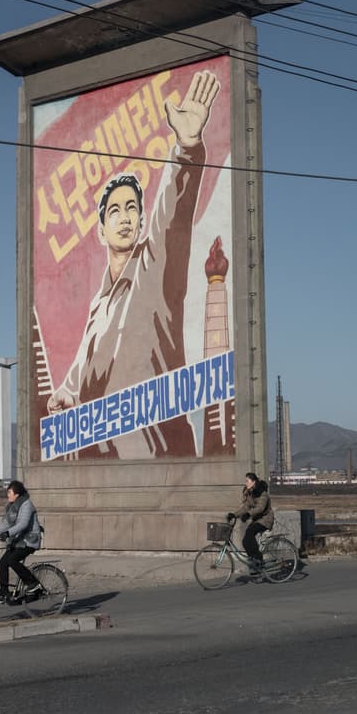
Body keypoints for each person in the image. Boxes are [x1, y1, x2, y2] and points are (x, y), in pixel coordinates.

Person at [46, 69, 221, 459]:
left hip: (159, 456)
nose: (125, 217)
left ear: (141, 223)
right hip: (105, 459)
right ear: (101, 230)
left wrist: (186, 146)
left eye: (132, 210)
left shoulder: (152, 268)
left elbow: (171, 214)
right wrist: (65, 395)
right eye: (115, 211)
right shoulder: (99, 304)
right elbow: (80, 374)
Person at [0, 480, 43, 604]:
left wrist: (8, 533)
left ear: (17, 494)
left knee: (12, 560)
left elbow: (23, 524)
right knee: (2, 562)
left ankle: (33, 584)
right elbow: (5, 525)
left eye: (9, 492)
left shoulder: (27, 504)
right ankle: (4, 594)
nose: (8, 495)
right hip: (19, 541)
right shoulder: (11, 507)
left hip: (29, 540)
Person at [228, 472, 274, 574]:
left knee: (250, 532)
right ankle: (254, 563)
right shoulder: (250, 493)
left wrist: (249, 514)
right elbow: (245, 507)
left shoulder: (262, 492)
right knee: (245, 541)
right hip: (257, 520)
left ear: (253, 482)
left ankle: (258, 559)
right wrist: (234, 515)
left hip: (266, 519)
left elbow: (260, 508)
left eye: (247, 481)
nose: (246, 483)